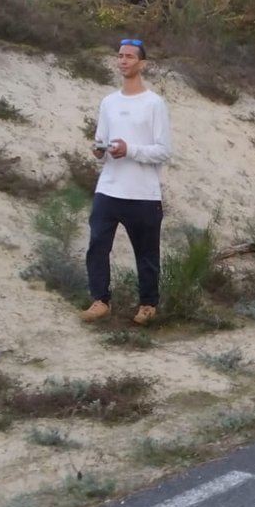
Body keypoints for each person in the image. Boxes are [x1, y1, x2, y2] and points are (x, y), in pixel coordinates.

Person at [81, 38, 172, 326]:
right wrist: (99, 150)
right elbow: (102, 141)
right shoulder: (108, 102)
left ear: (142, 63)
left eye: (130, 57)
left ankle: (148, 305)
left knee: (146, 254)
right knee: (97, 245)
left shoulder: (154, 103)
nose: (123, 61)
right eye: (120, 56)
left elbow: (163, 150)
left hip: (143, 193)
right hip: (108, 188)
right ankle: (100, 300)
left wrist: (129, 150)